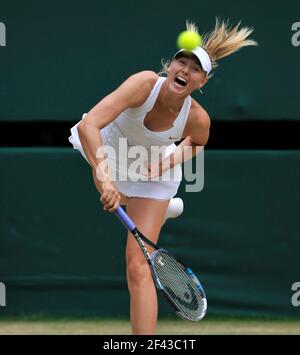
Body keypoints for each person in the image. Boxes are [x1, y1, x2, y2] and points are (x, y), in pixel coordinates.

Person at [68, 19, 257, 335]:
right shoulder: (143, 84)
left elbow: (198, 142)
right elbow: (90, 126)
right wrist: (106, 181)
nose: (185, 69)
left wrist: (165, 164)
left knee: (138, 266)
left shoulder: (196, 119)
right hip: (110, 154)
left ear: (202, 82)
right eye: (181, 61)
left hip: (150, 173)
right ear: (169, 66)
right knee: (113, 190)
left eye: (195, 69)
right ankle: (152, 207)